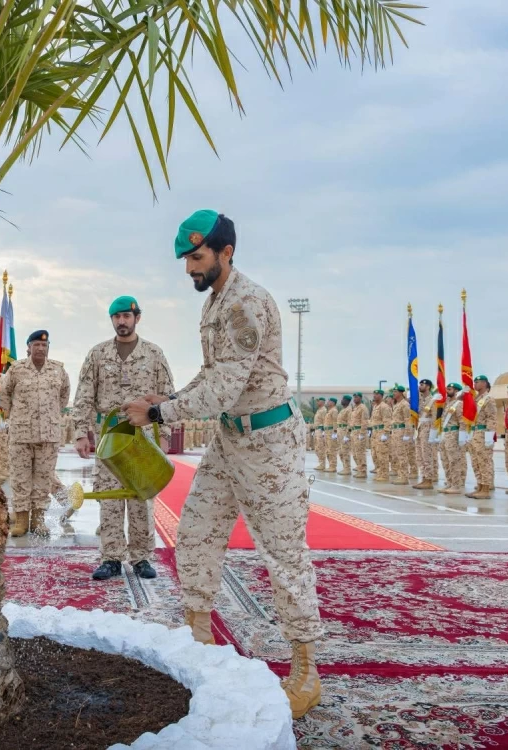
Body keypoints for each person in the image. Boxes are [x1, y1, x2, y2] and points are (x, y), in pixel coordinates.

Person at [122, 210, 322, 719]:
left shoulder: (244, 304)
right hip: (230, 442)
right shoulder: (215, 302)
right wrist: (167, 396)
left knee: (283, 555)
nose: (189, 267)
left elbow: (224, 388)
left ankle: (306, 670)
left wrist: (161, 411)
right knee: (196, 533)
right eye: (187, 259)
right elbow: (210, 375)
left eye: (196, 257)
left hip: (269, 446)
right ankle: (199, 637)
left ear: (226, 253)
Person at [73, 295, 175, 581]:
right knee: (110, 497)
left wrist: (164, 435)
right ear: (112, 320)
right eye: (117, 317)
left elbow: (166, 395)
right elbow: (83, 396)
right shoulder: (98, 354)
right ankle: (111, 557)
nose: (122, 321)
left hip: (144, 435)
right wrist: (81, 433)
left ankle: (142, 556)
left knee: (141, 495)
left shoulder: (154, 354)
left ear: (137, 318)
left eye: (126, 316)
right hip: (110, 435)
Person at [0, 330, 70, 537]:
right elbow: (4, 394)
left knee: (44, 478)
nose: (40, 348)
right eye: (36, 345)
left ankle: (38, 521)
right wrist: (16, 417)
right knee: (20, 478)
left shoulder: (58, 370)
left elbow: (64, 396)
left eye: (44, 345)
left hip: (48, 435)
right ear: (28, 347)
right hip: (21, 435)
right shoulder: (17, 369)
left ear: (48, 348)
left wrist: (51, 416)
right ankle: (21, 521)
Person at [466, 375, 497, 500]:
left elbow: (492, 418)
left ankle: (486, 489)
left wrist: (490, 436)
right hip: (474, 433)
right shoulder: (476, 398)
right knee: (476, 462)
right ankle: (479, 486)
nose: (475, 384)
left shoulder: (489, 399)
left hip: (483, 433)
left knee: (484, 462)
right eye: (474, 382)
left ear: (484, 384)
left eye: (477, 382)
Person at [439, 383, 468, 495]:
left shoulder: (459, 404)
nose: (447, 391)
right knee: (445, 460)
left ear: (456, 391)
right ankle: (450, 483)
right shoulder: (448, 404)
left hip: (454, 434)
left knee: (454, 460)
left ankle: (456, 485)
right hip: (446, 434)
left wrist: (462, 435)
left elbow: (462, 421)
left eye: (449, 389)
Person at [413, 379, 438, 489]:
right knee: (420, 455)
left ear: (428, 387)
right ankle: (424, 478)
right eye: (420, 384)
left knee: (427, 455)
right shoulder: (419, 400)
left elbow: (434, 417)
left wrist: (433, 432)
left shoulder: (432, 400)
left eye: (422, 385)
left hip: (427, 428)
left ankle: (429, 479)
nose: (420, 386)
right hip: (419, 429)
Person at [389, 385, 411, 486]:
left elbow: (407, 419)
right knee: (397, 454)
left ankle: (404, 476)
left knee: (402, 455)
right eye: (393, 391)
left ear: (401, 393)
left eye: (396, 391)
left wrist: (407, 433)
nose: (394, 393)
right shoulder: (397, 404)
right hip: (395, 431)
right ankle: (400, 474)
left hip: (401, 431)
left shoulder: (404, 404)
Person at [369, 390, 392, 482]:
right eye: (374, 394)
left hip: (381, 432)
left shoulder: (384, 407)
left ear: (381, 396)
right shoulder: (375, 406)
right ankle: (380, 472)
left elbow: (387, 420)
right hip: (375, 432)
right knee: (375, 454)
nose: (374, 396)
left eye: (377, 394)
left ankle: (384, 474)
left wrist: (385, 433)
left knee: (382, 454)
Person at [349, 392, 369, 479]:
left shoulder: (363, 408)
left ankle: (363, 471)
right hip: (354, 432)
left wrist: (362, 433)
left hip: (359, 432)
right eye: (354, 397)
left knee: (360, 452)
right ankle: (359, 468)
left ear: (360, 398)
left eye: (356, 397)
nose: (355, 399)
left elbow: (364, 421)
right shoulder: (355, 408)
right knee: (356, 452)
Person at [335, 395, 352, 476]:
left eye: (343, 399)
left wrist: (347, 435)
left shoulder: (349, 410)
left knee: (345, 451)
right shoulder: (343, 410)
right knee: (341, 451)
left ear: (347, 401)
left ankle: (347, 468)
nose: (341, 400)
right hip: (340, 431)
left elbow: (350, 423)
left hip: (344, 431)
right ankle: (345, 467)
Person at [312, 398, 328, 471]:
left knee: (321, 448)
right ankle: (321, 463)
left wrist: (324, 431)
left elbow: (325, 421)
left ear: (322, 402)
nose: (317, 402)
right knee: (317, 448)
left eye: (318, 401)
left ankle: (322, 464)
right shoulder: (319, 410)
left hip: (321, 430)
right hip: (317, 430)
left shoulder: (324, 410)